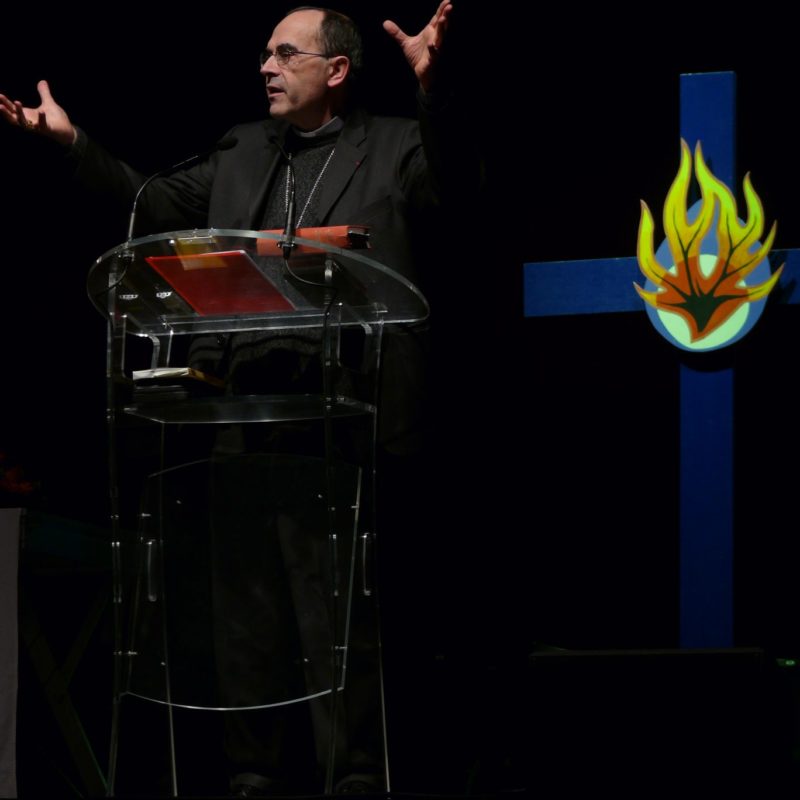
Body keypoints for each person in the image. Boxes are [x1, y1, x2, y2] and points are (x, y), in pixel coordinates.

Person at [1, 3, 479, 796]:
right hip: (239, 415)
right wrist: (72, 143)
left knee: (339, 611)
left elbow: (457, 187)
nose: (265, 67)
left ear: (336, 70)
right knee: (244, 615)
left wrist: (435, 91)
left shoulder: (396, 144)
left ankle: (356, 775)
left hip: (346, 419)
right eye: (264, 53)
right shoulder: (239, 151)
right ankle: (249, 773)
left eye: (285, 54)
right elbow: (148, 204)